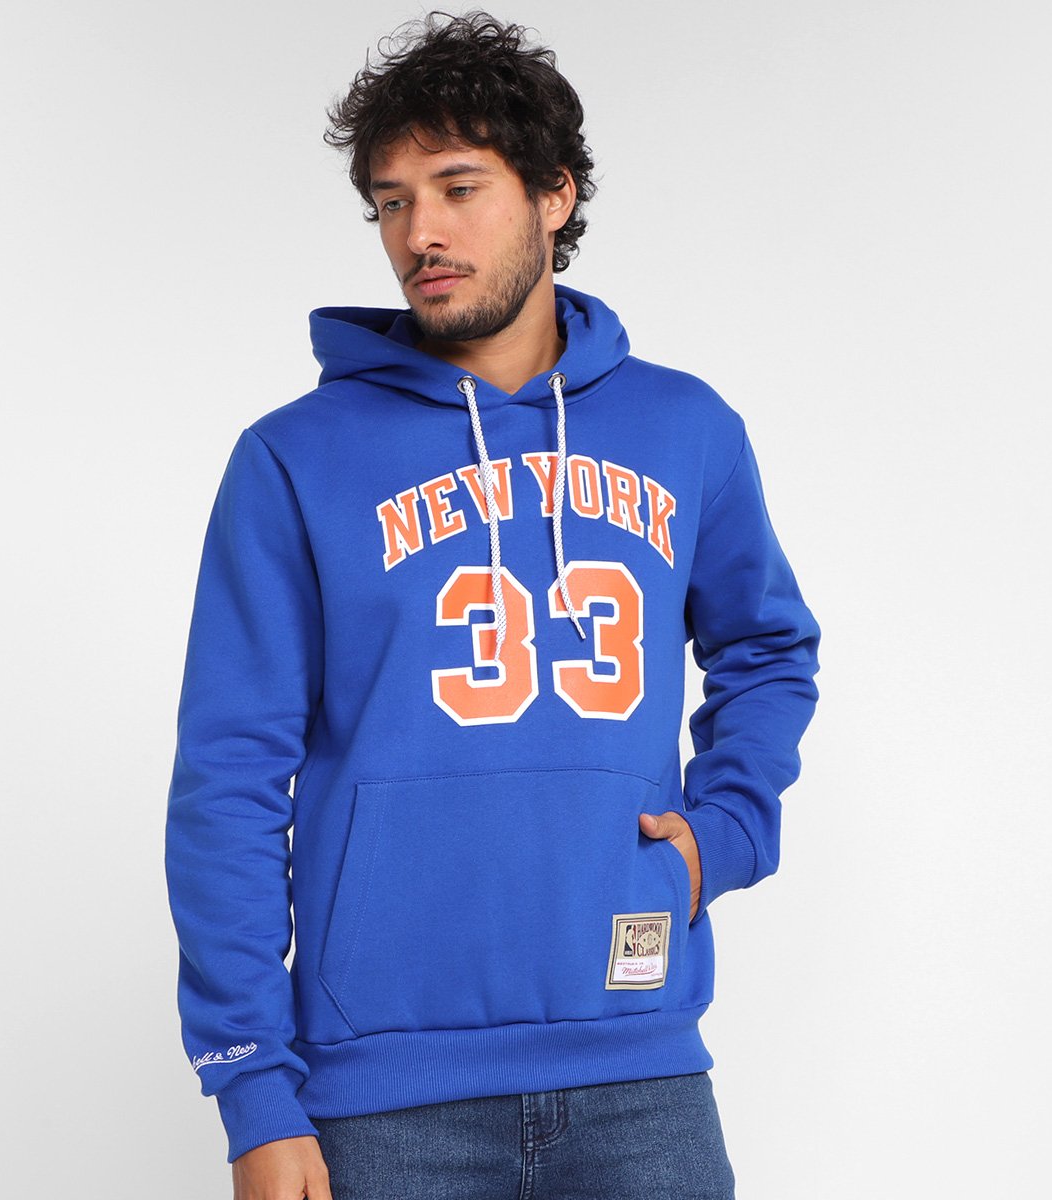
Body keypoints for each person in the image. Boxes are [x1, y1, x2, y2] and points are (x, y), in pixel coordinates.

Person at [164, 11, 822, 1199]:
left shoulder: (688, 430)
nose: (419, 232)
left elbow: (769, 649)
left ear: (554, 194)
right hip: (380, 1098)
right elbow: (230, 777)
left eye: (458, 188)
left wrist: (726, 833)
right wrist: (251, 1087)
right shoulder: (293, 460)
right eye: (391, 201)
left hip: (642, 1070)